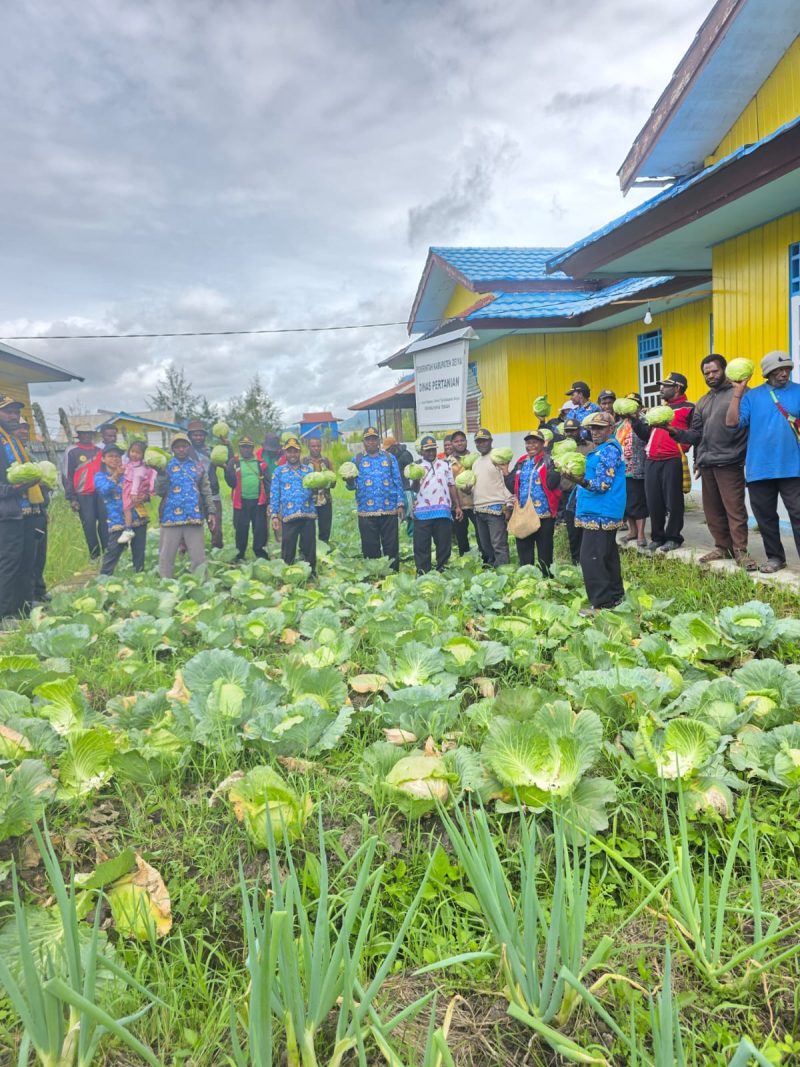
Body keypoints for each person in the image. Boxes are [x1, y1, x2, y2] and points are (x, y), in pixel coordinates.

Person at [669, 355, 754, 569]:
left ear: (724, 370)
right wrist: (674, 432)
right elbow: (696, 434)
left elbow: (750, 426)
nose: (710, 376)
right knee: (713, 511)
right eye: (706, 373)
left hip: (731, 461)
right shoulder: (703, 401)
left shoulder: (742, 393)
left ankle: (741, 552)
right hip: (707, 463)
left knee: (734, 509)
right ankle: (723, 547)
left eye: (714, 371)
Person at [726, 350, 800, 573]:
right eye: (778, 370)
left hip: (793, 467)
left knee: (798, 514)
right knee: (765, 517)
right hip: (759, 468)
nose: (783, 374)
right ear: (767, 373)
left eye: (786, 369)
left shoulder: (798, 391)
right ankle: (776, 558)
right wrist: (737, 393)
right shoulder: (752, 396)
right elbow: (732, 423)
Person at [633, 372, 694, 553]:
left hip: (672, 458)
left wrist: (684, 447)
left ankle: (673, 537)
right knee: (653, 501)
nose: (661, 388)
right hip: (651, 459)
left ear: (677, 387)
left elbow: (695, 433)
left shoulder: (689, 408)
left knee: (673, 502)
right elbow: (647, 435)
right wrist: (635, 421)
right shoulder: (658, 410)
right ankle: (657, 537)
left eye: (665, 385)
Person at [573, 411, 626, 612]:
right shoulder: (602, 449)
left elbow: (603, 484)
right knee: (606, 555)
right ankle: (615, 597)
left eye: (600, 428)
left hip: (601, 511)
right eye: (592, 428)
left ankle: (602, 604)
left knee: (590, 558)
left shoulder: (609, 450)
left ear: (611, 429)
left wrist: (579, 480)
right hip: (598, 509)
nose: (594, 432)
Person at [0, 396, 42, 626]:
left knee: (27, 560)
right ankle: (5, 613)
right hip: (7, 513)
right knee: (9, 563)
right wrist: (13, 489)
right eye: (8, 412)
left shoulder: (14, 441)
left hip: (27, 510)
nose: (14, 417)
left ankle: (24, 606)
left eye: (16, 412)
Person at [155, 432, 216, 579]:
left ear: (189, 447)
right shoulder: (166, 467)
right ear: (173, 449)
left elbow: (206, 490)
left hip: (193, 515)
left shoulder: (198, 467)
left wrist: (211, 511)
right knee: (166, 555)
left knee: (198, 556)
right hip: (170, 517)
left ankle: (201, 583)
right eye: (177, 447)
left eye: (184, 446)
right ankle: (166, 583)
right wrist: (161, 475)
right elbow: (159, 491)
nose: (181, 449)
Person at [345, 427, 404, 571]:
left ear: (379, 441)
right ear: (363, 441)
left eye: (374, 439)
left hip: (389, 510)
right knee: (370, 546)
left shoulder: (389, 458)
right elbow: (352, 487)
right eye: (368, 439)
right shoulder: (357, 460)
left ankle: (392, 575)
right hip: (366, 511)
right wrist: (349, 481)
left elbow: (398, 482)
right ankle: (373, 576)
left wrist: (400, 504)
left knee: (391, 546)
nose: (371, 442)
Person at [506, 430, 561, 575]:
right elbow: (512, 487)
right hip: (524, 514)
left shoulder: (549, 461)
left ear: (543, 444)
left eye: (535, 442)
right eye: (528, 443)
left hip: (543, 515)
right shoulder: (521, 462)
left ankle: (546, 580)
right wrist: (505, 471)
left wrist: (557, 468)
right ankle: (528, 579)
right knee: (524, 551)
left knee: (545, 553)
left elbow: (552, 484)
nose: (531, 445)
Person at [409, 434, 461, 574]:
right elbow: (413, 489)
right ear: (422, 451)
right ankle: (422, 572)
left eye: (433, 449)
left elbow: (451, 485)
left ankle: (442, 570)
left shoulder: (445, 465)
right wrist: (416, 478)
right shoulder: (415, 466)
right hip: (422, 512)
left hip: (442, 511)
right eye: (428, 450)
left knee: (444, 544)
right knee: (421, 545)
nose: (431, 453)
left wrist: (457, 505)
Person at [95, 445, 150, 574]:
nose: (115, 459)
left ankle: (140, 578)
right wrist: (116, 475)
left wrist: (145, 496)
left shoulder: (130, 471)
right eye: (110, 456)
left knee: (139, 553)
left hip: (137, 516)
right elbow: (104, 491)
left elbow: (145, 488)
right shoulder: (100, 476)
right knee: (112, 552)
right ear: (103, 459)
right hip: (117, 520)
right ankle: (104, 579)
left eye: (117, 456)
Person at [270, 436, 316, 573]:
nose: (292, 454)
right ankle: (287, 574)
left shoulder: (308, 471)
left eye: (295, 451)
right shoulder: (278, 472)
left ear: (299, 452)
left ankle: (311, 574)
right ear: (285, 453)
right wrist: (274, 515)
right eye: (289, 451)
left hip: (308, 514)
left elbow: (315, 489)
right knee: (288, 548)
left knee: (309, 547)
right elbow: (274, 494)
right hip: (289, 515)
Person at [17, 418, 50, 604]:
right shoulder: (11, 456)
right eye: (20, 428)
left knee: (40, 554)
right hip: (22, 513)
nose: (23, 431)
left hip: (38, 509)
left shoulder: (29, 454)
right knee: (28, 556)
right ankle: (28, 597)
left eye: (26, 428)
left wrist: (44, 508)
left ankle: (39, 590)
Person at [471, 428, 514, 566]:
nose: (481, 444)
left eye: (484, 441)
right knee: (486, 545)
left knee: (498, 544)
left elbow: (505, 480)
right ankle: (491, 571)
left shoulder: (497, 458)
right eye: (478, 441)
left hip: (496, 508)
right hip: (479, 509)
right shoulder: (476, 462)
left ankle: (504, 570)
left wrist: (509, 504)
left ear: (490, 441)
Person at [63, 428, 106, 559]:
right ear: (79, 435)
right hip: (83, 494)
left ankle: (108, 554)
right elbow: (67, 475)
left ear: (92, 435)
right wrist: (72, 498)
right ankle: (95, 556)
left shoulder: (99, 451)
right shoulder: (72, 451)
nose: (86, 435)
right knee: (89, 525)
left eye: (89, 433)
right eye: (83, 433)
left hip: (100, 493)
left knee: (105, 524)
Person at [225, 435, 270, 560]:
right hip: (241, 502)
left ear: (252, 448)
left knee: (260, 530)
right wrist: (227, 471)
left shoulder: (261, 464)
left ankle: (261, 555)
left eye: (248, 447)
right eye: (243, 447)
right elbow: (231, 483)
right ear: (239, 448)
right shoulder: (234, 462)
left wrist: (269, 502)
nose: (245, 449)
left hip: (259, 502)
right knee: (241, 529)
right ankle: (239, 555)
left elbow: (267, 483)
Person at [615, 394, 648, 551]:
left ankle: (641, 534)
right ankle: (632, 530)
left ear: (639, 407)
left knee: (638, 502)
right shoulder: (620, 424)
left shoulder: (645, 421)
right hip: (622, 469)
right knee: (626, 502)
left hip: (637, 467)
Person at [559, 417, 594, 564]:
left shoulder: (590, 446)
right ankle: (575, 561)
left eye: (573, 431)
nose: (570, 434)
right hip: (568, 494)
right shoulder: (560, 449)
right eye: (567, 431)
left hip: (586, 492)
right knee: (572, 531)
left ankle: (588, 561)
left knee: (587, 529)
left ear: (579, 430)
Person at [187, 419, 226, 549]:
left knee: (216, 527)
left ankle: (218, 552)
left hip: (213, 493)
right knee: (192, 527)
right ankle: (193, 553)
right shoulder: (185, 452)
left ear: (204, 436)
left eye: (201, 435)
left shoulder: (212, 451)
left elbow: (227, 461)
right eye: (195, 435)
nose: (198, 437)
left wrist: (227, 445)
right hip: (192, 495)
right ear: (190, 436)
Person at [448, 429, 483, 558]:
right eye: (456, 441)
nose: (459, 443)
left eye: (462, 440)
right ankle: (465, 560)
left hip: (475, 503)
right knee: (461, 535)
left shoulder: (475, 458)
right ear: (452, 443)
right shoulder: (448, 462)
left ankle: (485, 559)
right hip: (458, 505)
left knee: (481, 534)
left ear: (466, 442)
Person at [119, 440, 156, 544]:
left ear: (143, 455)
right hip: (128, 487)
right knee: (127, 508)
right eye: (132, 451)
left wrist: (134, 492)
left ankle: (128, 529)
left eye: (138, 452)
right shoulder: (130, 463)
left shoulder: (140, 467)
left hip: (131, 489)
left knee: (127, 508)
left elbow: (137, 479)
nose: (134, 454)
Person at [303, 435, 334, 543]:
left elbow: (333, 482)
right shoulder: (304, 462)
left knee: (325, 528)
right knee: (307, 528)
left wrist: (329, 481)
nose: (316, 448)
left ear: (321, 447)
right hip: (309, 500)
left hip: (325, 499)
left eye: (318, 446)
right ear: (308, 447)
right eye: (313, 446)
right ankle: (308, 549)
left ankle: (324, 547)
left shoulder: (326, 461)